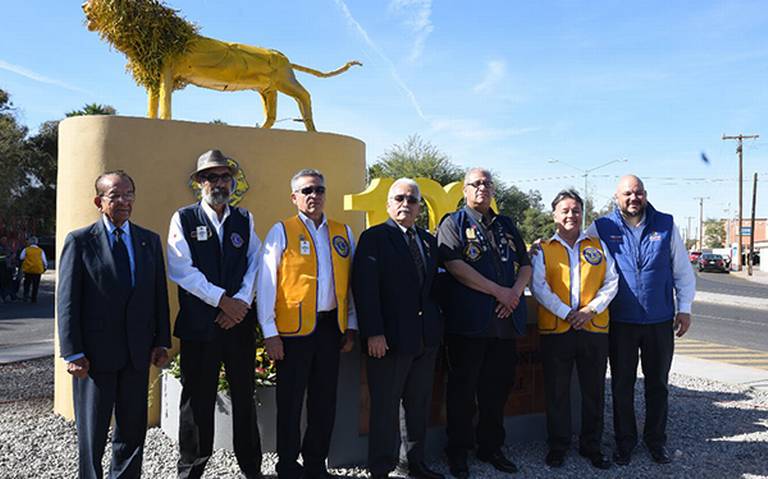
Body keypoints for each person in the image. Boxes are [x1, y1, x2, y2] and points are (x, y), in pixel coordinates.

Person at [57, 170, 171, 479]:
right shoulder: (80, 241)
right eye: (115, 196)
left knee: (132, 431)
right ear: (99, 201)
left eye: (129, 194)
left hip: (137, 354)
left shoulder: (148, 241)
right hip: (93, 358)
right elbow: (67, 301)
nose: (123, 201)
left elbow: (158, 294)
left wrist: (161, 340)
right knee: (92, 434)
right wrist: (72, 352)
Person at [167, 149, 263, 479]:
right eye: (210, 177)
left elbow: (256, 265)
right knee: (197, 401)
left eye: (224, 176)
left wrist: (239, 304)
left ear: (232, 181)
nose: (218, 183)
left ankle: (251, 468)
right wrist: (223, 301)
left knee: (244, 397)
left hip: (238, 325)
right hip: (200, 327)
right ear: (199, 183)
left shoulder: (245, 219)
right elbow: (182, 269)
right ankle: (191, 470)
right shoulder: (184, 218)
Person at [587, 175, 695, 465]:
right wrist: (540, 249)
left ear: (645, 195)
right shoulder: (601, 227)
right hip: (621, 321)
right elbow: (576, 251)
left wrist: (683, 308)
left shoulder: (666, 224)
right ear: (616, 197)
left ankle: (656, 441)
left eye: (638, 193)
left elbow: (683, 271)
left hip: (659, 321)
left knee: (657, 384)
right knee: (622, 384)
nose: (633, 198)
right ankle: (625, 442)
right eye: (627, 194)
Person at [257, 168, 357, 479]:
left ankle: (316, 464)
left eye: (319, 190)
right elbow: (266, 284)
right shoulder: (282, 230)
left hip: (330, 329)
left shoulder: (342, 232)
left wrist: (351, 324)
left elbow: (351, 283)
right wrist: (270, 333)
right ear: (294, 197)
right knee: (290, 402)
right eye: (307, 191)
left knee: (324, 401)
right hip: (292, 333)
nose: (314, 196)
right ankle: (287, 465)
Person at [437, 168, 531, 478]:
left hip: (505, 326)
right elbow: (454, 266)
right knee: (463, 393)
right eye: (475, 183)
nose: (482, 188)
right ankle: (458, 452)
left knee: (497, 391)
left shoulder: (505, 224)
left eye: (487, 183)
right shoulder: (453, 223)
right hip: (469, 325)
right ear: (464, 190)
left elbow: (526, 264)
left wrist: (514, 294)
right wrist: (499, 292)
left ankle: (491, 447)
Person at [352, 178, 445, 479]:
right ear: (389, 204)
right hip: (388, 339)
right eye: (400, 198)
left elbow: (434, 289)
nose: (406, 204)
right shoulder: (374, 238)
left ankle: (412, 463)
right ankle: (380, 468)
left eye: (412, 199)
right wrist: (373, 333)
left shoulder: (429, 242)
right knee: (385, 408)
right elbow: (365, 290)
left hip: (424, 338)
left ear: (420, 207)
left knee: (417, 406)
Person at [530, 189, 617, 470]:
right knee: (557, 391)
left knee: (594, 391)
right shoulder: (543, 249)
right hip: (557, 330)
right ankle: (558, 445)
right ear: (554, 215)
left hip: (593, 328)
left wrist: (589, 311)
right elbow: (539, 287)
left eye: (576, 210)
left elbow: (611, 282)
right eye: (565, 210)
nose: (571, 215)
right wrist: (567, 313)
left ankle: (592, 445)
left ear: (582, 214)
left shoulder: (598, 245)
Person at [20, 236, 48, 303]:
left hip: (28, 269)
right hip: (38, 269)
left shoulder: (26, 249)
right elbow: (44, 261)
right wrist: (45, 267)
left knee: (27, 283)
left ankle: (25, 296)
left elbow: (21, 257)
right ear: (37, 242)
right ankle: (34, 298)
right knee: (36, 284)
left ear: (29, 242)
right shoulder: (40, 250)